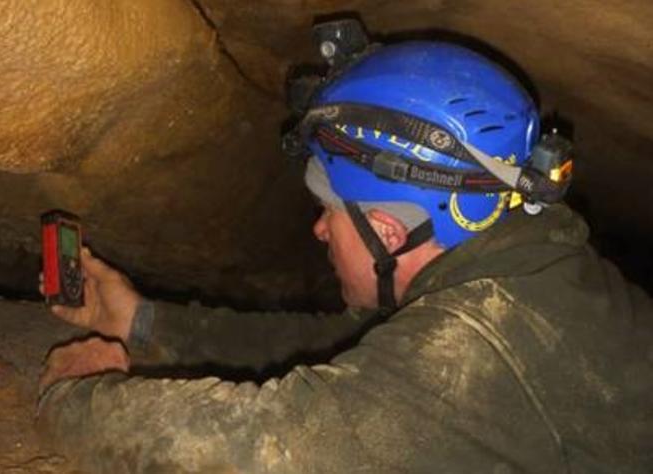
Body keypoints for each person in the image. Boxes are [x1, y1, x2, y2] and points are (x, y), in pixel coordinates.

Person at [37, 37, 653, 473]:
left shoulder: (483, 343)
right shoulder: (527, 276)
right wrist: (138, 322)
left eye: (328, 209)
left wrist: (75, 396)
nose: (320, 233)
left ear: (387, 231)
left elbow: (254, 452)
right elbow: (335, 345)